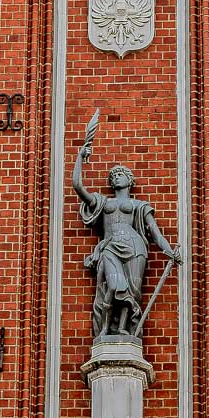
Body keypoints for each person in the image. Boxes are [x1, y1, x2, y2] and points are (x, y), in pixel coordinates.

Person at [72, 122, 180, 339]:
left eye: (120, 175)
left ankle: (124, 329)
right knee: (112, 286)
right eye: (113, 176)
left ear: (130, 180)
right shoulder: (103, 202)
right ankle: (104, 330)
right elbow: (78, 186)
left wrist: (169, 251)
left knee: (132, 291)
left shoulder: (139, 206)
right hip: (111, 246)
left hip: (135, 247)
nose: (115, 177)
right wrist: (80, 157)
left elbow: (155, 233)